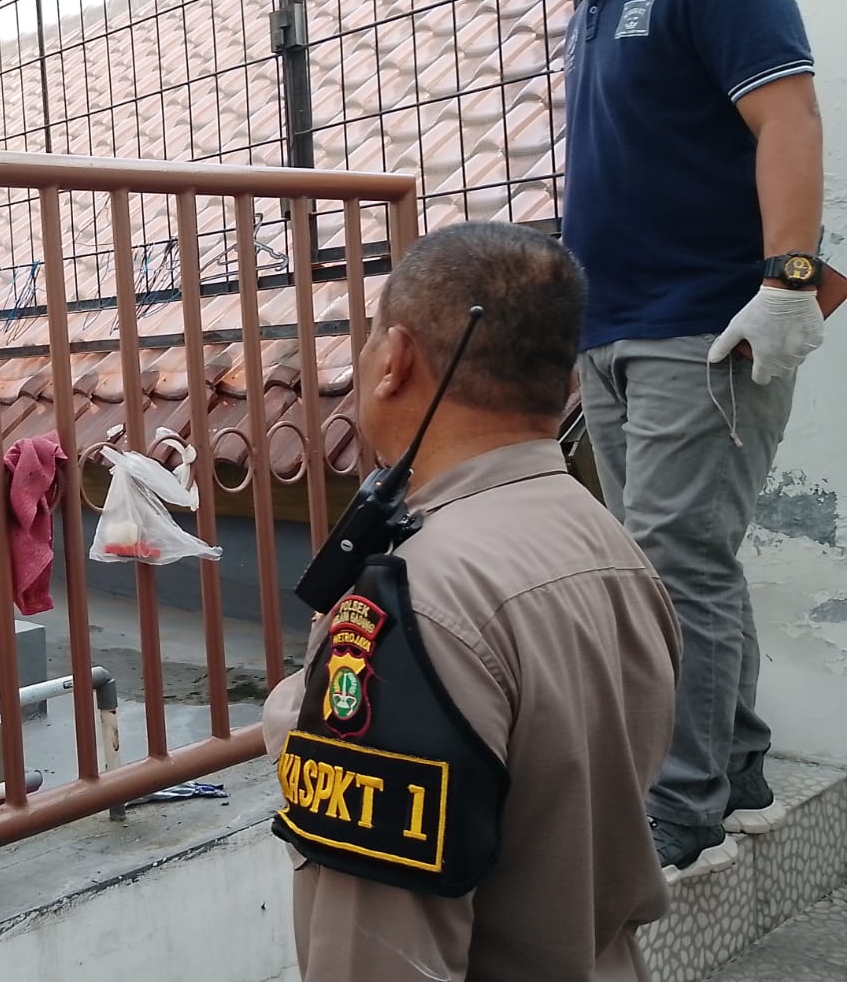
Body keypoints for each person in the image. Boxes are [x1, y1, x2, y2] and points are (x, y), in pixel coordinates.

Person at [522, 0, 826, 877]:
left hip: (701, 329)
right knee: (685, 561)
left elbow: (785, 114)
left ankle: (677, 811)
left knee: (667, 568)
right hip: (614, 332)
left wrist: (790, 283)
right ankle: (736, 766)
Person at [263, 221, 681, 981]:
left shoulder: (411, 606)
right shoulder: (616, 551)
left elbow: (379, 958)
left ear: (395, 360)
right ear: (571, 381)